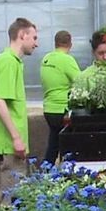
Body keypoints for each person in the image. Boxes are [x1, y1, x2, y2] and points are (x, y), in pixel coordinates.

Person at [0, 17, 38, 201]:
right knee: (11, 197)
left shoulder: (9, 60)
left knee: (15, 194)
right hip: (9, 144)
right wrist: (16, 138)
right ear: (22, 35)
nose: (36, 44)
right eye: (34, 38)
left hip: (7, 142)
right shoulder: (8, 62)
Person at [39, 30, 81, 164]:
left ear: (55, 43)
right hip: (62, 110)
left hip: (48, 109)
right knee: (68, 146)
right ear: (70, 44)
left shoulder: (46, 59)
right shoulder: (67, 60)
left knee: (53, 145)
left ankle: (46, 173)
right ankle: (65, 176)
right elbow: (81, 81)